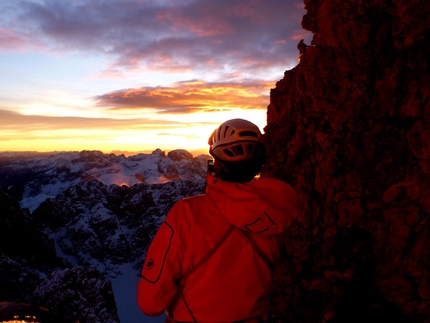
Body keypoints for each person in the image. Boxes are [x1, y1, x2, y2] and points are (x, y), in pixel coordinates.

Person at [137, 118, 297, 323]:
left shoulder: (187, 214)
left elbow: (150, 303)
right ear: (260, 163)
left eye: (211, 162)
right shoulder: (283, 210)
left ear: (215, 165)